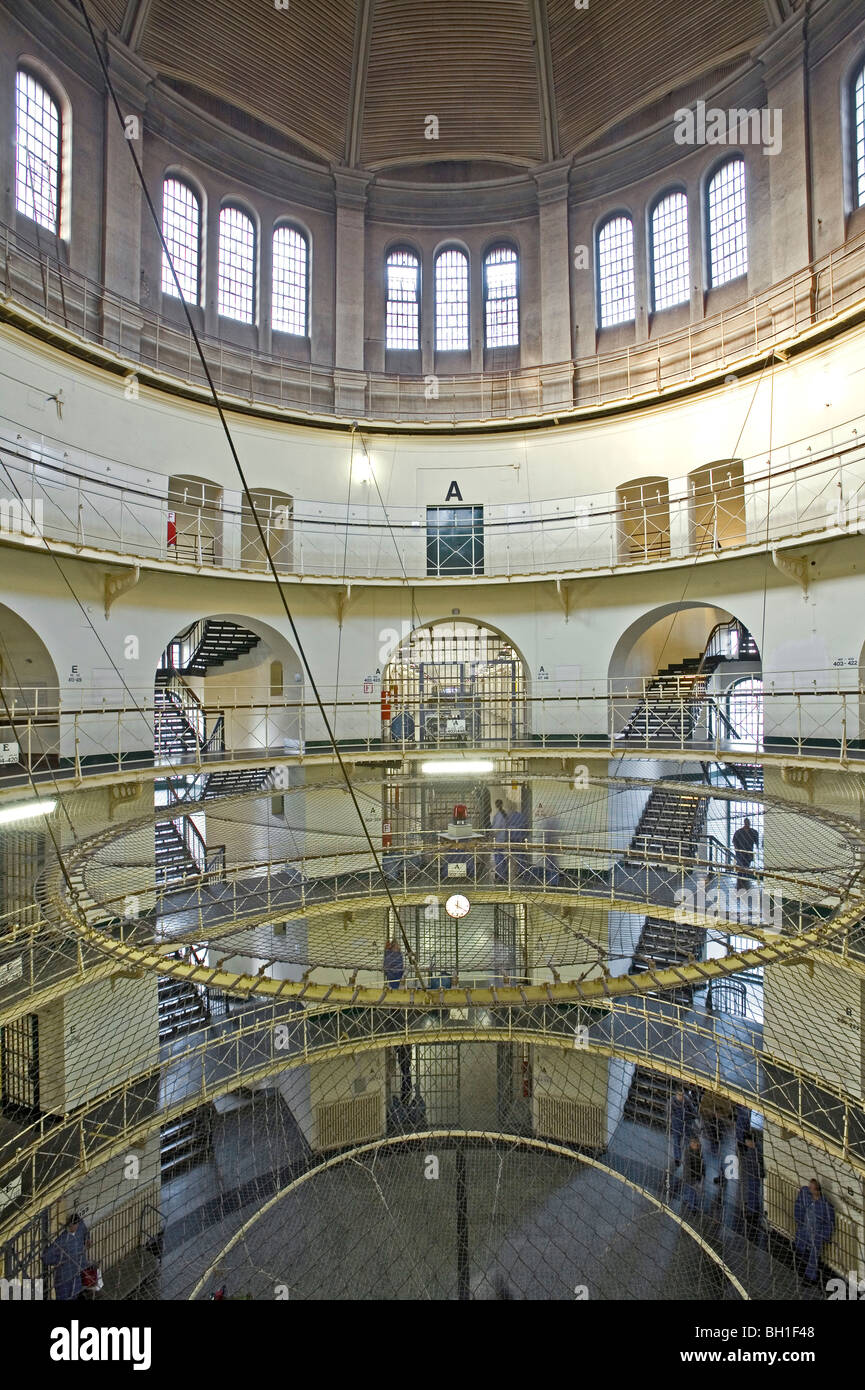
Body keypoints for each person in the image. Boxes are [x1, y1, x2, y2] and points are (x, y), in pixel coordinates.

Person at [794, 1178, 835, 1284]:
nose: (808, 1188)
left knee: (813, 1256)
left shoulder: (825, 1206)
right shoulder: (806, 1195)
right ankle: (803, 1269)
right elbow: (800, 1200)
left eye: (811, 1187)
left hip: (816, 1233)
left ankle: (810, 1277)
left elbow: (830, 1224)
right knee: (800, 1249)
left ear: (816, 1191)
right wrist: (798, 1219)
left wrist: (823, 1236)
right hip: (805, 1228)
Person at [43, 1213, 90, 1301]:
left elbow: (85, 1230)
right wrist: (58, 1261)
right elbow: (46, 1257)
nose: (76, 1226)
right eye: (74, 1225)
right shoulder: (61, 1240)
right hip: (64, 1276)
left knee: (77, 1294)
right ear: (69, 1225)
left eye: (77, 1224)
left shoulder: (80, 1228)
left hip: (77, 1272)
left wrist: (87, 1239)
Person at [740, 1132, 765, 1242]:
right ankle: (752, 1210)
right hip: (752, 1174)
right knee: (752, 1192)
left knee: (756, 1193)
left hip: (756, 1175)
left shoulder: (757, 1151)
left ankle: (755, 1212)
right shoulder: (753, 1150)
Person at [534, 804, 560, 886]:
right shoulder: (553, 821)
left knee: (551, 864)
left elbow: (549, 835)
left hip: (550, 846)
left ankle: (553, 881)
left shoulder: (550, 821)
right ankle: (553, 881)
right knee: (551, 864)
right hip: (550, 846)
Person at [671, 1087, 697, 1167]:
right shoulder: (672, 1100)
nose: (681, 1097)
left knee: (686, 1141)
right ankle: (677, 1159)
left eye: (682, 1095)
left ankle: (687, 1157)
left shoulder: (687, 1100)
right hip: (677, 1124)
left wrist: (692, 1117)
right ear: (676, 1095)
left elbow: (693, 1111)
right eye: (679, 1095)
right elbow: (669, 1111)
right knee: (676, 1141)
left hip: (686, 1123)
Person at [732, 817, 759, 889]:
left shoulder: (752, 832)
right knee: (741, 865)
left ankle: (744, 878)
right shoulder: (740, 832)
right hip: (741, 852)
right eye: (746, 822)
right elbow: (734, 841)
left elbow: (757, 841)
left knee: (746, 865)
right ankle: (741, 879)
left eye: (748, 823)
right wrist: (737, 849)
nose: (747, 824)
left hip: (748, 852)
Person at [682, 1136, 705, 1213]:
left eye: (695, 1143)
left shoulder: (699, 1152)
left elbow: (701, 1164)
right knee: (690, 1190)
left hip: (694, 1175)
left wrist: (701, 1174)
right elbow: (688, 1165)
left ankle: (691, 1205)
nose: (694, 1144)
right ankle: (691, 1204)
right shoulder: (689, 1151)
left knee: (692, 1191)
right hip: (690, 1175)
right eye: (692, 1143)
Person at [491, 799, 509, 882]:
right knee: (501, 857)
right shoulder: (504, 814)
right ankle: (503, 874)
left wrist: (491, 835)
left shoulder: (498, 815)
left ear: (496, 805)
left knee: (498, 858)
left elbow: (496, 828)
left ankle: (501, 876)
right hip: (503, 838)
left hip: (498, 839)